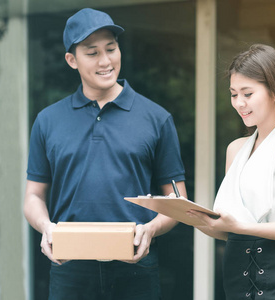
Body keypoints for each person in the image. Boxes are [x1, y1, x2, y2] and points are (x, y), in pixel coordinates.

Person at [23, 8, 187, 300]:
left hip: (135, 266)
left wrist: (150, 230)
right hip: (70, 268)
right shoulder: (47, 121)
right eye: (92, 53)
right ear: (71, 60)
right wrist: (46, 227)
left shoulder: (157, 118)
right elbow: (34, 196)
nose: (106, 61)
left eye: (111, 49)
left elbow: (178, 200)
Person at [187, 44, 275, 299]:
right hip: (236, 280)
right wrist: (190, 216)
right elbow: (230, 229)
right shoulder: (235, 149)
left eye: (248, 93)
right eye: (234, 94)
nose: (239, 103)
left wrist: (242, 227)